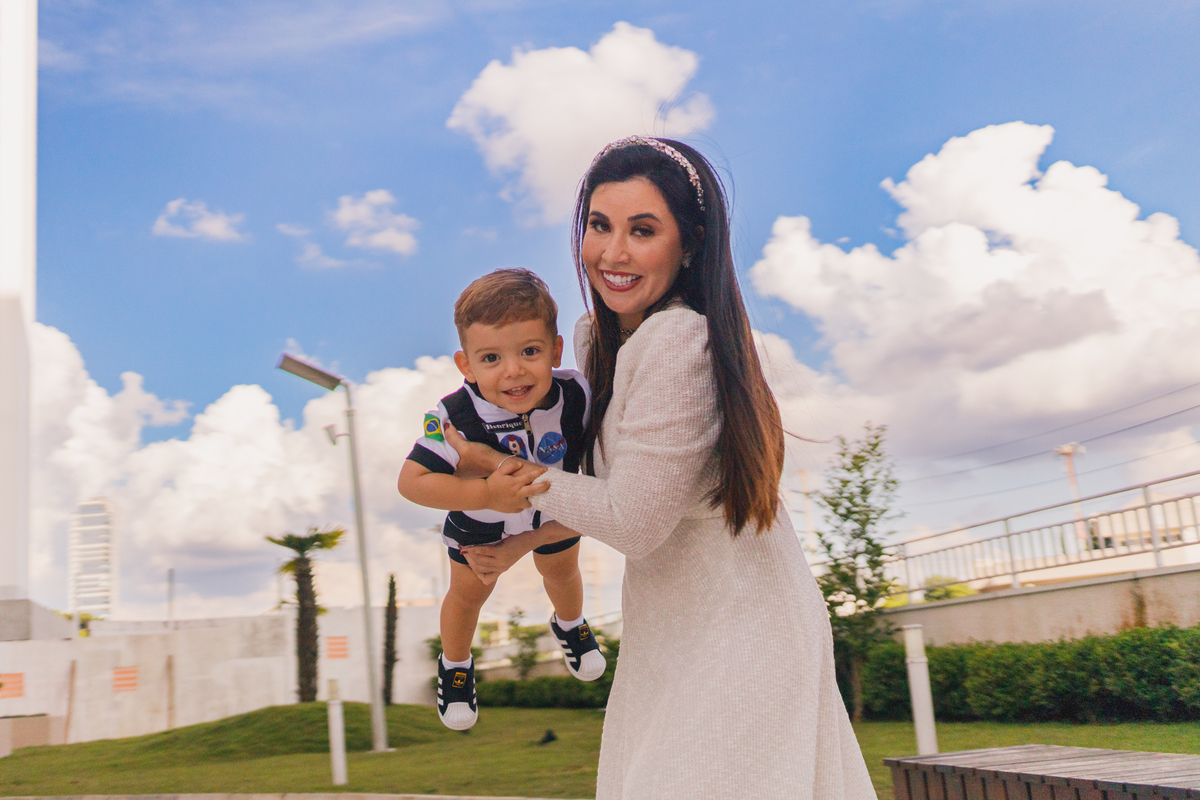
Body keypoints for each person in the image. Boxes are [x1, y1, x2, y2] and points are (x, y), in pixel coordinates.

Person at [448, 138, 876, 797]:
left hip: (742, 634)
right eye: (599, 225)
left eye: (642, 230)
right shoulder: (597, 341)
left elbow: (634, 520)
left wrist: (501, 468)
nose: (613, 253)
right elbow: (598, 492)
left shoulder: (678, 341)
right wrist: (521, 541)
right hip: (677, 631)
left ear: (690, 243)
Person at [397, 268, 606, 731]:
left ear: (555, 350)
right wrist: (484, 492)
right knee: (468, 596)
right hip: (481, 525)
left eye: (529, 351)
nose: (512, 370)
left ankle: (570, 625)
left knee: (563, 571)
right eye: (491, 358)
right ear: (466, 364)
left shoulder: (575, 395)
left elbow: (604, 483)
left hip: (555, 510)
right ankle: (455, 667)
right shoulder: (452, 417)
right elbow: (411, 481)